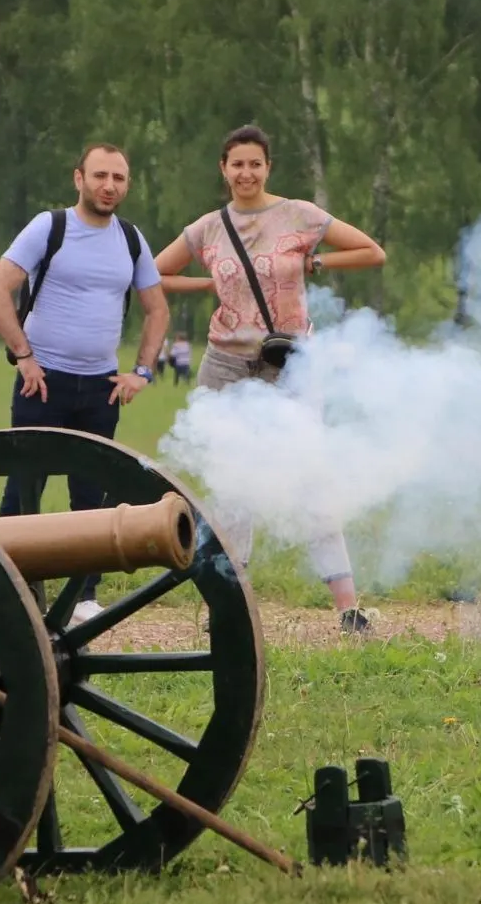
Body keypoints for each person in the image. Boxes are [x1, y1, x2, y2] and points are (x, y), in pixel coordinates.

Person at [154, 124, 385, 635]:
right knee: (233, 485)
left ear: (268, 167)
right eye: (237, 164)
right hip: (225, 365)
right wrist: (208, 284)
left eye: (255, 163)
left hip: (293, 362)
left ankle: (348, 610)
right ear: (223, 169)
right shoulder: (207, 228)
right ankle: (230, 608)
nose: (246, 173)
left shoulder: (299, 214)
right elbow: (155, 273)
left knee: (311, 480)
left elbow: (372, 251)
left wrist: (316, 260)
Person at [0, 143, 169, 627]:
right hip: (43, 383)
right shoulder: (50, 227)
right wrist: (24, 356)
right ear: (78, 178)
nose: (110, 186)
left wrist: (142, 372)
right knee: (25, 487)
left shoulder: (130, 238)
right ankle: (0, 586)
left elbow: (157, 308)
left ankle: (84, 596)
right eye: (101, 175)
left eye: (119, 179)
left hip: (102, 387)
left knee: (92, 494)